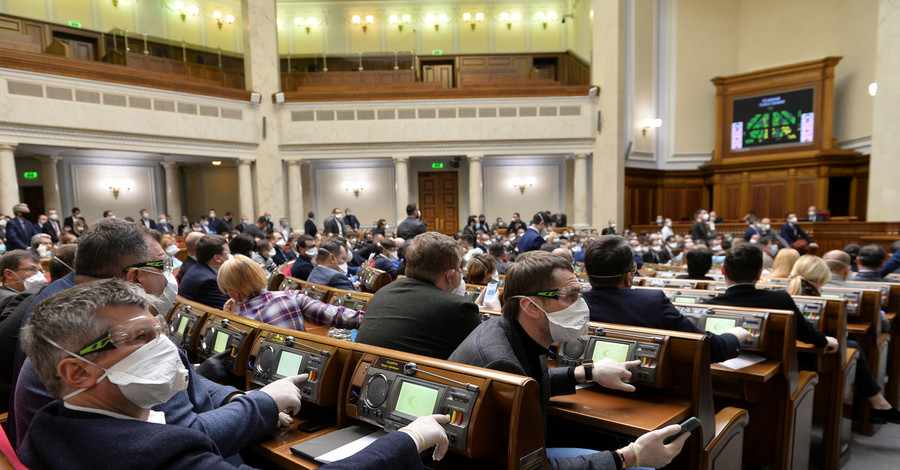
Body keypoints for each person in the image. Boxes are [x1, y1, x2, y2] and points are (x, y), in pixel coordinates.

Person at [18, 278, 447, 470]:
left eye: (161, 330)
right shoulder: (154, 454)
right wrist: (410, 439)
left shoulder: (49, 426)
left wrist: (251, 404)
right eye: (141, 337)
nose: (166, 348)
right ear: (76, 371)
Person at [449, 251, 689, 469]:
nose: (580, 304)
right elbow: (531, 467)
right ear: (530, 306)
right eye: (570, 296)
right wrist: (630, 456)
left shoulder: (509, 330)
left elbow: (532, 382)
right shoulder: (501, 363)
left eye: (579, 293)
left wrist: (588, 373)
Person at [582, 236, 748, 363]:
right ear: (629, 277)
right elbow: (705, 348)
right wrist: (733, 337)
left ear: (588, 275)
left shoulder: (576, 304)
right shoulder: (651, 302)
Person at [786, 255, 900, 424]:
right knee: (852, 346)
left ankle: (877, 404)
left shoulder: (786, 292)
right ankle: (877, 404)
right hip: (805, 357)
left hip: (792, 354)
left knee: (851, 347)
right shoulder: (809, 297)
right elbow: (811, 333)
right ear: (819, 278)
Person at [356, 232, 481, 359]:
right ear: (451, 275)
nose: (460, 272)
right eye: (459, 267)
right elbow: (481, 353)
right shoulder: (460, 308)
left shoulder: (382, 292)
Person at [702, 243, 838, 353]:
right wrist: (825, 340)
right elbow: (806, 334)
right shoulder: (780, 300)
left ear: (723, 270)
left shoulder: (707, 305)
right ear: (759, 274)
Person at [218, 255, 363, 331]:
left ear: (235, 293)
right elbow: (336, 316)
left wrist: (227, 318)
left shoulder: (237, 320)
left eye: (226, 290)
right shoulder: (291, 297)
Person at [177, 235, 231, 309]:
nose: (229, 257)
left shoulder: (198, 268)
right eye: (227, 253)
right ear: (217, 258)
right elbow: (227, 308)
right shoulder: (208, 281)